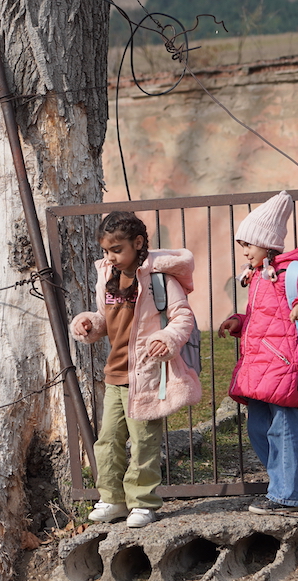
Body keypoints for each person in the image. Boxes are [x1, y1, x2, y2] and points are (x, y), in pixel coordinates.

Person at [70, 211, 202, 527]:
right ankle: (112, 499)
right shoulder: (108, 276)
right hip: (115, 374)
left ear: (138, 243)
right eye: (105, 251)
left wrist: (167, 337)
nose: (110, 257)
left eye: (116, 250)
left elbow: (182, 317)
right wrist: (90, 324)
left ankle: (143, 502)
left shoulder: (160, 279)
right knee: (108, 441)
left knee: (144, 442)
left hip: (147, 376)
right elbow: (105, 319)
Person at [218, 191, 298, 514]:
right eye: (241, 244)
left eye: (247, 244)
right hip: (258, 363)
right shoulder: (258, 276)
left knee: (282, 427)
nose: (244, 250)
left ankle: (287, 495)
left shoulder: (293, 272)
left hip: (282, 363)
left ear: (267, 244)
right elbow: (263, 318)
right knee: (258, 429)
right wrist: (239, 322)